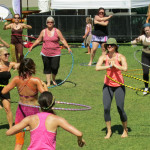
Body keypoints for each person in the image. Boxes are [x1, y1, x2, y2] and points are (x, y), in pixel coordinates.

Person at [6, 91, 85, 150]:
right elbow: (79, 133)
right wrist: (80, 140)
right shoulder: (57, 119)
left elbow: (8, 132)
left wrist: (25, 128)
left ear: (39, 104)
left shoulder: (30, 119)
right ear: (53, 104)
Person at [2, 58, 48, 150]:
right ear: (32, 68)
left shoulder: (16, 79)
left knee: (19, 142)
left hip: (21, 111)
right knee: (36, 141)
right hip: (33, 111)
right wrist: (44, 85)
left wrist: (13, 85)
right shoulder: (36, 80)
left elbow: (3, 91)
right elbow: (46, 96)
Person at [96, 38, 128, 139]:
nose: (109, 46)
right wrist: (109, 66)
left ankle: (125, 130)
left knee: (120, 108)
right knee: (106, 108)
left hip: (119, 86)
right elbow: (97, 67)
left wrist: (116, 65)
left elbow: (125, 69)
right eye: (108, 45)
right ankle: (109, 131)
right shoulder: (104, 57)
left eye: (111, 45)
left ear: (115, 47)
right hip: (107, 86)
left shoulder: (120, 57)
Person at [29, 16, 71, 86]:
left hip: (56, 53)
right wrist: (32, 46)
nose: (50, 23)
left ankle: (53, 79)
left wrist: (68, 47)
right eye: (48, 22)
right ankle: (48, 82)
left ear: (53, 23)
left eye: (51, 22)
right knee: (47, 67)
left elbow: (62, 39)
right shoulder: (43, 31)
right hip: (45, 53)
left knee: (55, 67)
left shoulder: (57, 31)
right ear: (46, 23)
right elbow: (39, 40)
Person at [0, 47, 19, 128]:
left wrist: (17, 66)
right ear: (0, 56)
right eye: (5, 55)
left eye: (8, 54)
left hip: (5, 89)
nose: (7, 56)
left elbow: (19, 64)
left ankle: (11, 128)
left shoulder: (10, 64)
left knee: (7, 108)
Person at [131, 23, 150, 95]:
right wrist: (135, 41)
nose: (147, 32)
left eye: (148, 30)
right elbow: (133, 43)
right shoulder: (142, 37)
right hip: (145, 56)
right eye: (145, 31)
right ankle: (146, 87)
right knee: (145, 72)